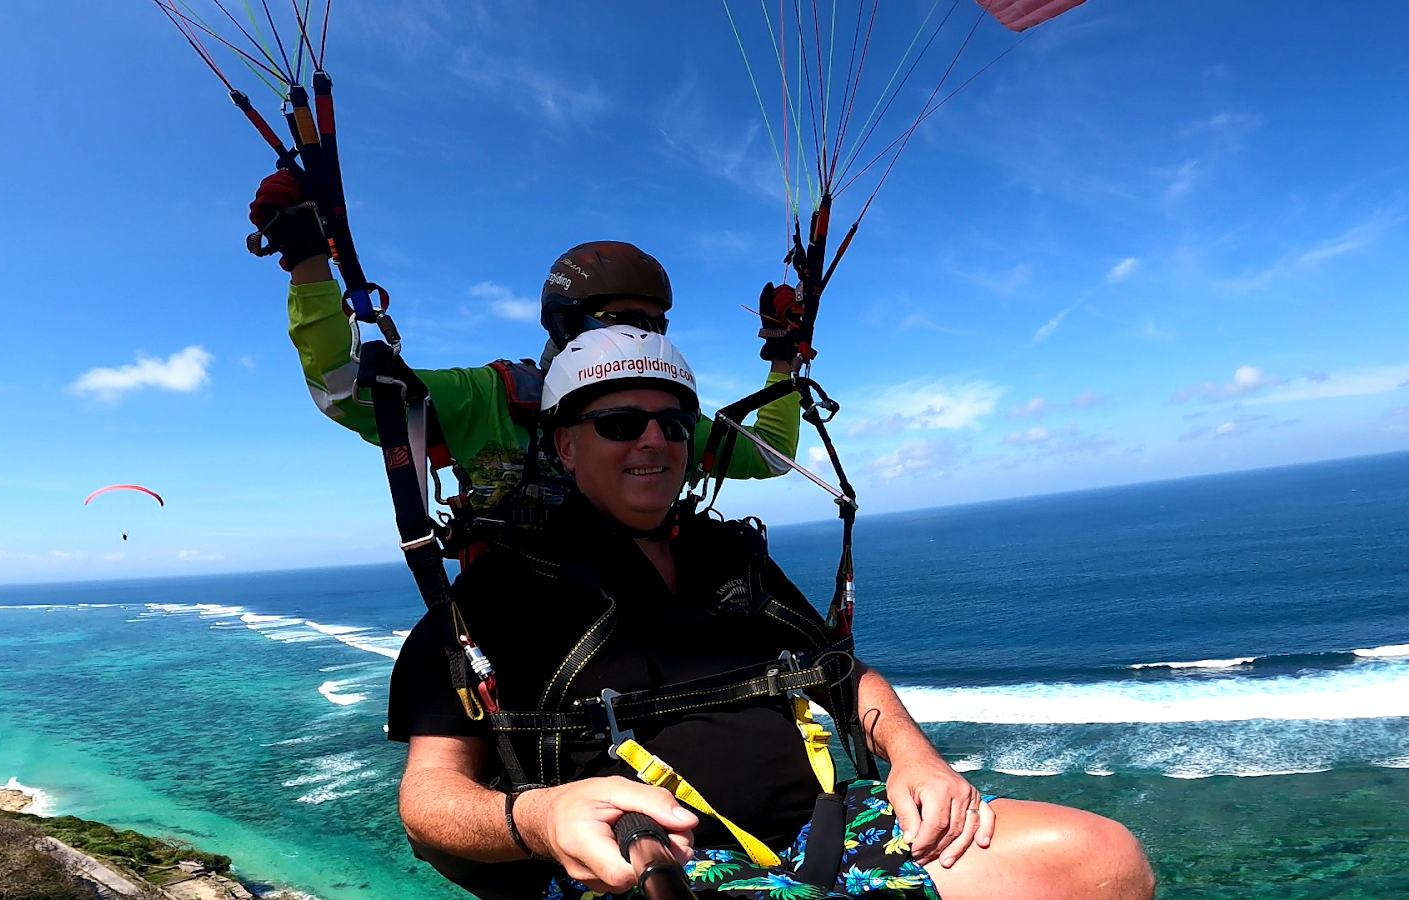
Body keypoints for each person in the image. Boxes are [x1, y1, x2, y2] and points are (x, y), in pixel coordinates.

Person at [388, 326, 1156, 900]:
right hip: (655, 875)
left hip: (836, 836)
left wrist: (916, 760)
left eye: (674, 423)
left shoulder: (734, 560)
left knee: (1105, 861)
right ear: (564, 446)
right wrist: (544, 818)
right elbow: (430, 801)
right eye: (620, 423)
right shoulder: (498, 596)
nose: (653, 439)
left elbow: (843, 675)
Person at [250, 171, 805, 516]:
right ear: (565, 324)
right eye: (618, 319)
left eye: (653, 325)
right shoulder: (489, 399)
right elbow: (345, 389)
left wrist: (782, 356)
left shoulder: (660, 422)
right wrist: (308, 261)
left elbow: (770, 457)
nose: (638, 336)